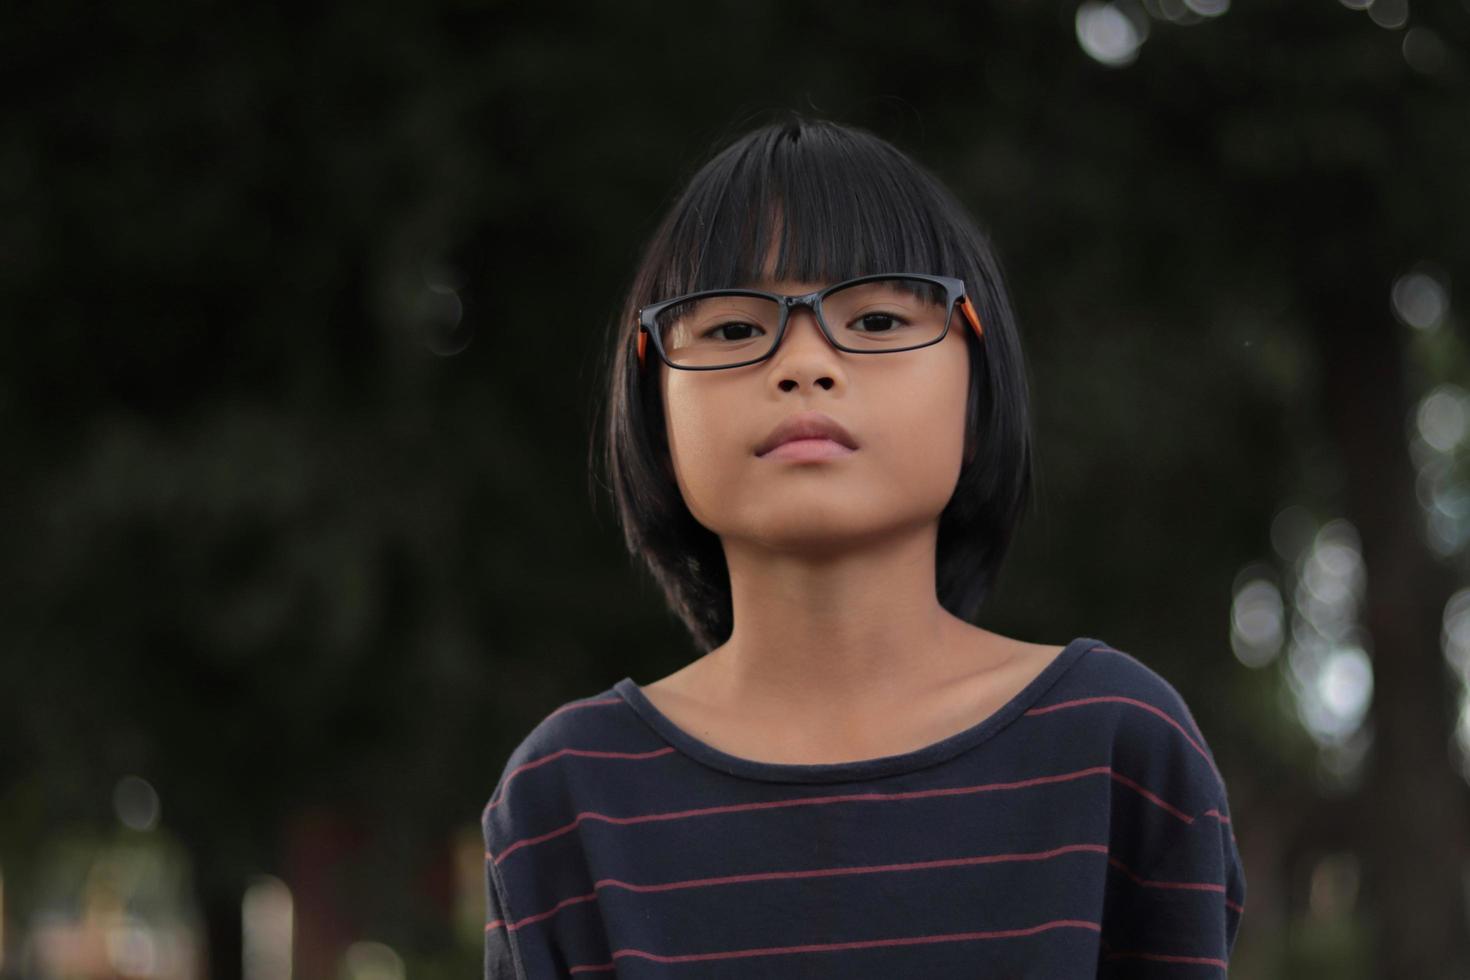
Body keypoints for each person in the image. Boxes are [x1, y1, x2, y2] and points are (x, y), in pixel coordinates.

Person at [482, 112, 1245, 978]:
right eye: (734, 329)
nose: (804, 365)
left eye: (878, 320)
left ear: (979, 377)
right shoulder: (567, 796)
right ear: (651, 392)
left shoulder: (1116, 747)